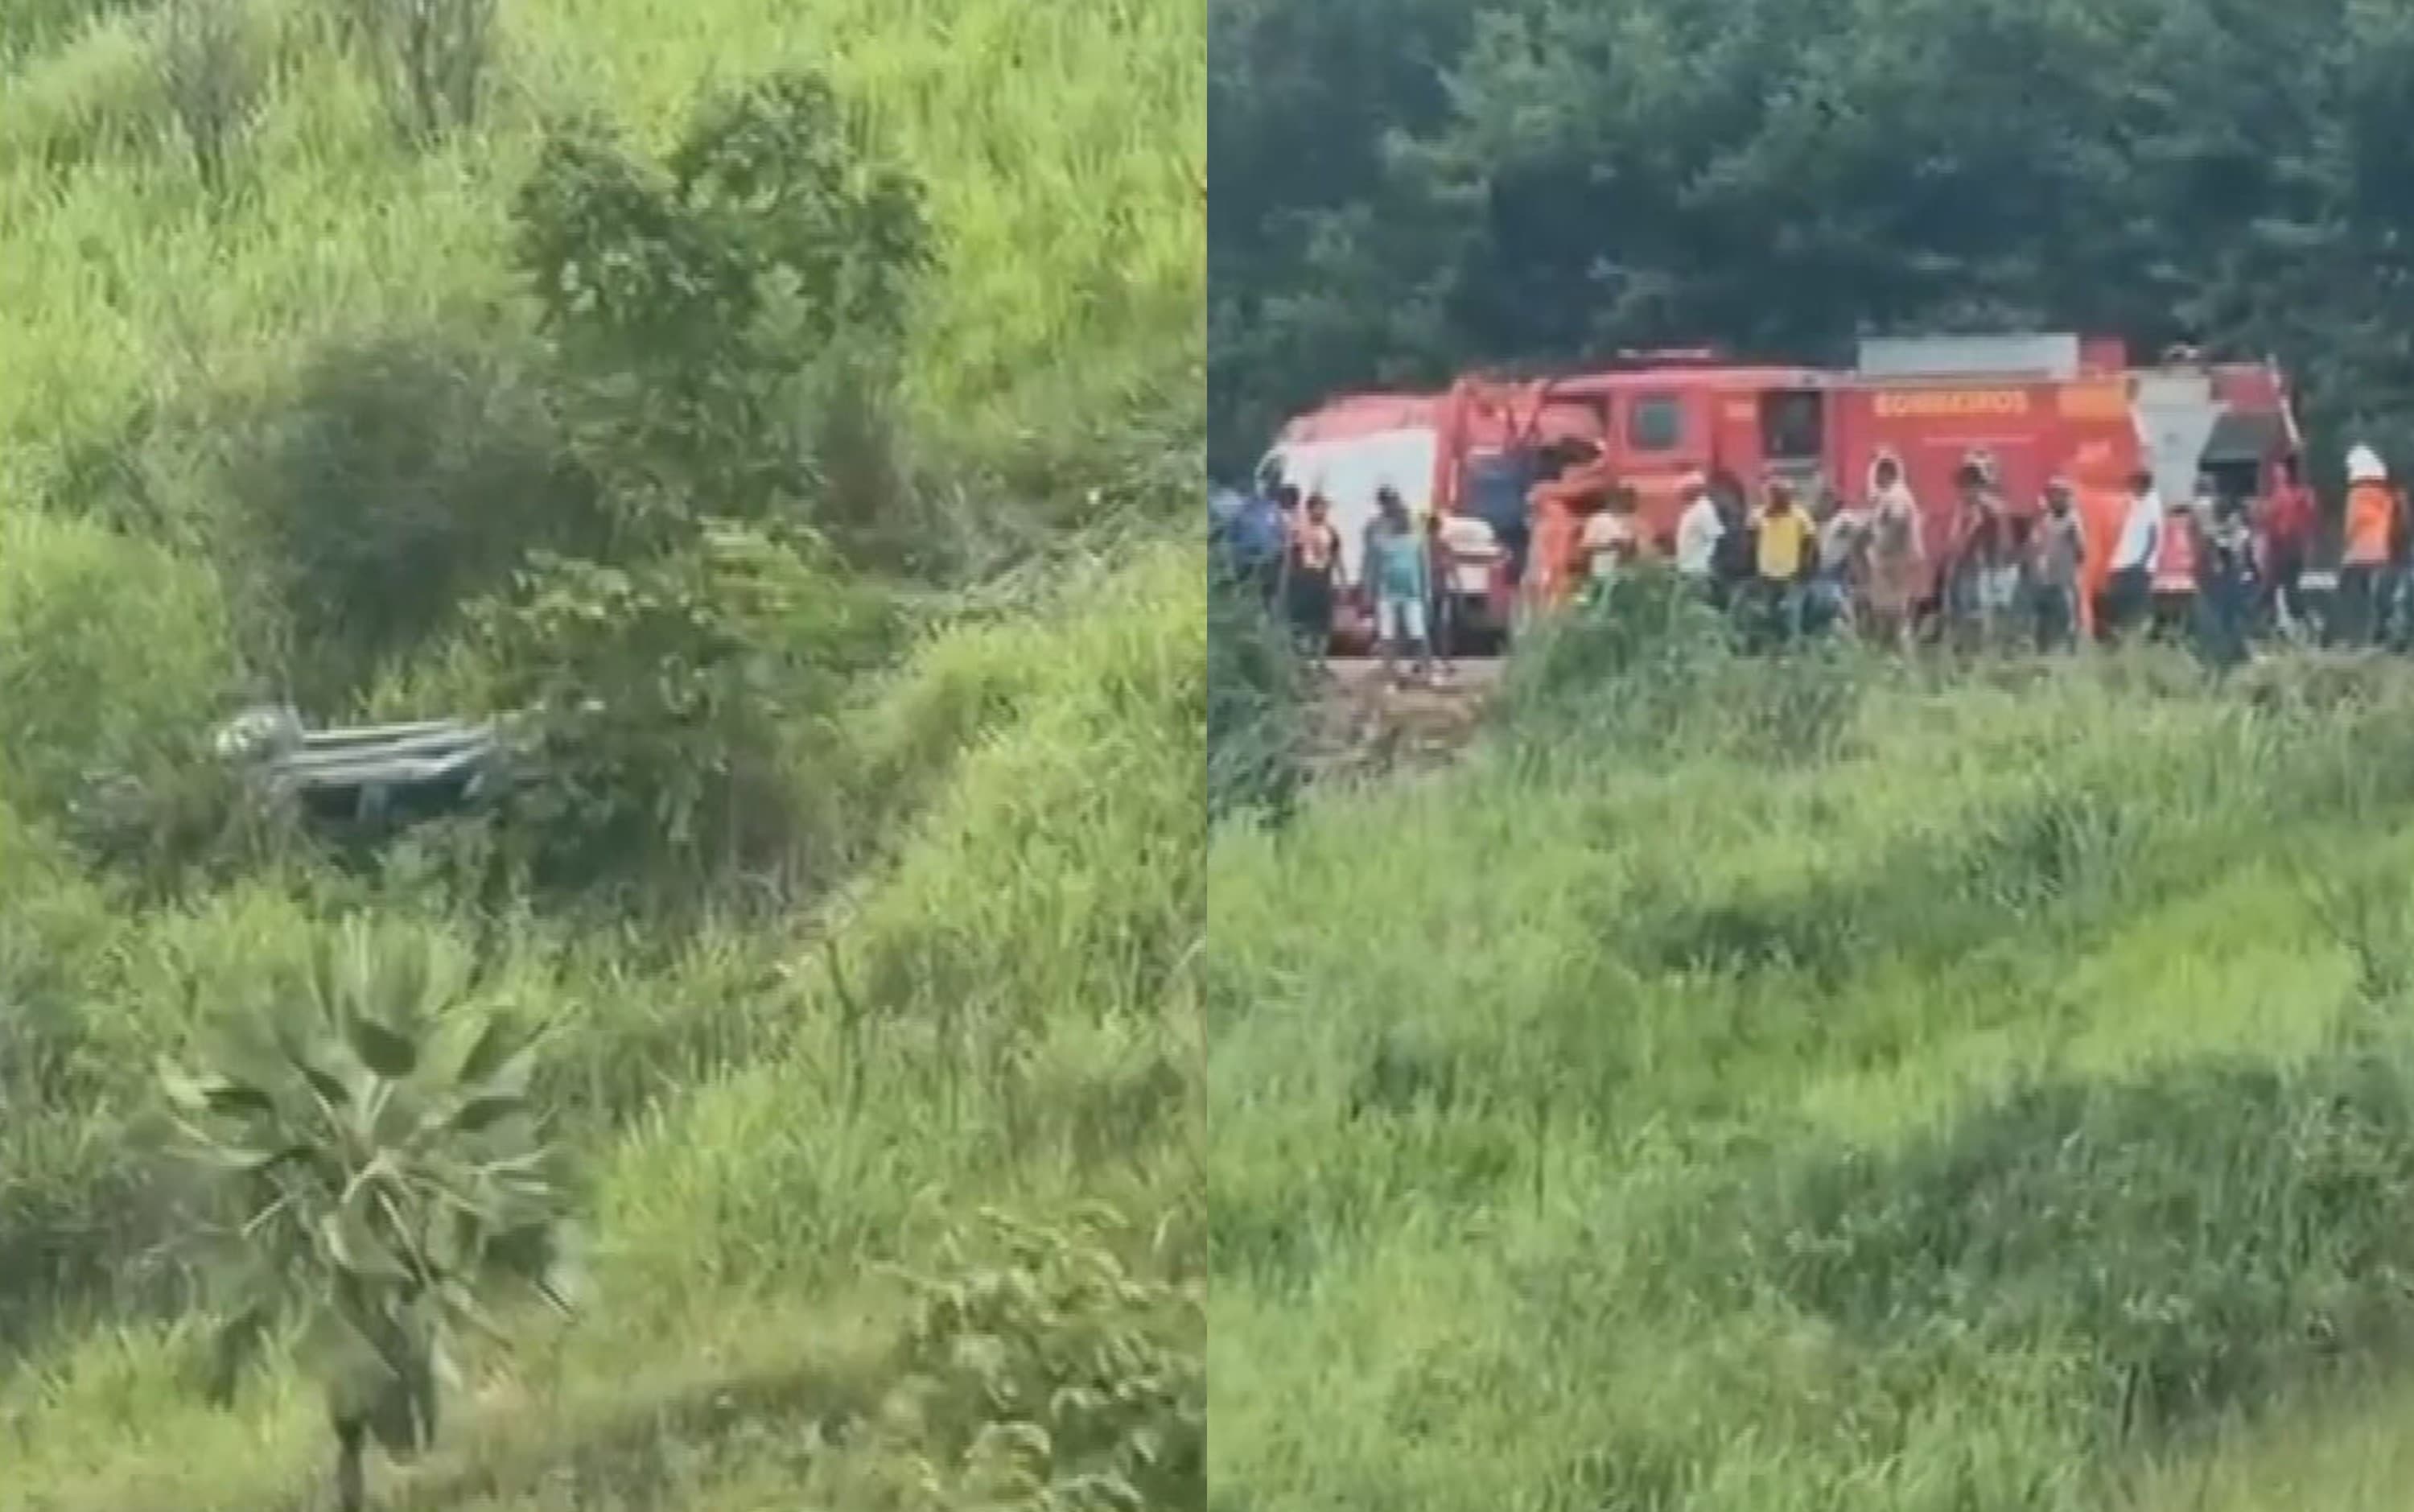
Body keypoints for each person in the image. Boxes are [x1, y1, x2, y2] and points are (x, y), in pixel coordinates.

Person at [1366, 488, 1433, 685]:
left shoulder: (1416, 539)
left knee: (1419, 634)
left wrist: (1426, 591)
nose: (1401, 518)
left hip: (1412, 593)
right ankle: (1390, 677)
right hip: (1387, 593)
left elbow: (1423, 566)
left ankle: (1427, 673)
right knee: (1388, 637)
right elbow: (1373, 566)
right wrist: (1369, 590)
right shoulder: (1381, 539)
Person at [1864, 452, 1924, 651]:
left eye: (1876, 475)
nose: (1874, 480)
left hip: (1892, 564)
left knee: (1893, 616)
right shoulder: (1896, 495)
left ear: (1886, 473)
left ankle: (1899, 659)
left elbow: (1897, 521)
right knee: (1893, 615)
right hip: (1896, 563)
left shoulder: (1895, 496)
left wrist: (1882, 548)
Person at [2098, 468, 2161, 643]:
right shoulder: (2134, 503)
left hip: (2136, 570)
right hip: (2122, 567)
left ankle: (2134, 648)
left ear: (2143, 484)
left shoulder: (2151, 504)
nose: (2130, 486)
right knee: (2119, 613)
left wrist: (2141, 562)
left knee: (2134, 614)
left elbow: (2153, 535)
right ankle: (2125, 648)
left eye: (2134, 482)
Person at [2342, 444, 2395, 646]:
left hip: (2360, 556)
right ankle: (2380, 636)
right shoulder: (2387, 495)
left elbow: (2352, 526)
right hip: (2384, 554)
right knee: (2380, 601)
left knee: (2359, 602)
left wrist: (2348, 553)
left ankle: (2362, 639)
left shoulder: (2358, 495)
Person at [2256, 455, 2315, 637]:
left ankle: (2272, 628)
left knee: (2275, 591)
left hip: (2281, 550)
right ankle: (2299, 627)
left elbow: (2273, 524)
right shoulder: (2304, 494)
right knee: (2287, 592)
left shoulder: (2284, 495)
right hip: (2293, 550)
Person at [1751, 478, 1814, 646]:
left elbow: (1809, 540)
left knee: (1792, 613)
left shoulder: (1799, 516)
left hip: (1791, 572)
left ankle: (1792, 648)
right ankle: (1772, 647)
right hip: (1767, 572)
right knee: (1769, 613)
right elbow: (1751, 535)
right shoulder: (1761, 515)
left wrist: (1805, 565)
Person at [2029, 476, 2087, 653]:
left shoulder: (2072, 520)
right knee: (2043, 631)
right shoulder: (2045, 519)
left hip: (2064, 584)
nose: (2055, 498)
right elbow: (2035, 545)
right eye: (2052, 494)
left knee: (2065, 628)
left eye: (2060, 494)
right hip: (2045, 583)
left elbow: (2081, 551)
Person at [1283, 492, 1341, 661]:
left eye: (1324, 508)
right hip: (1303, 582)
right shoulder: (1299, 531)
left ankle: (1320, 660)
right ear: (1310, 509)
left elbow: (1336, 557)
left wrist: (1342, 582)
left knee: (1323, 625)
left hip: (1323, 582)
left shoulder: (1331, 531)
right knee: (1303, 624)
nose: (1322, 512)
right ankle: (1303, 661)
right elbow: (1290, 556)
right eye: (1319, 508)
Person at [2149, 485, 2203, 644]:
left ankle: (2164, 633)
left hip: (2169, 573)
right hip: (2180, 571)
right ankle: (2175, 633)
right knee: (2180, 607)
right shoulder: (2186, 524)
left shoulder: (2166, 524)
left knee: (2167, 608)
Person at [1674, 474, 1724, 600]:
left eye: (1684, 491)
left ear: (1694, 491)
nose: (1681, 495)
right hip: (1689, 567)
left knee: (1697, 603)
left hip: (1697, 568)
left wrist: (1707, 561)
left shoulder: (1704, 510)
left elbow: (1714, 535)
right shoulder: (1692, 508)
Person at [1424, 509, 1458, 681]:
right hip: (1440, 589)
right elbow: (1451, 567)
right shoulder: (1443, 544)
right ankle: (1445, 661)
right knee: (1442, 627)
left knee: (1427, 627)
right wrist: (1458, 587)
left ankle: (1425, 660)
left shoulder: (1423, 546)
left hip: (1426, 589)